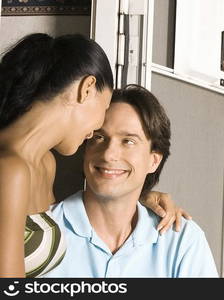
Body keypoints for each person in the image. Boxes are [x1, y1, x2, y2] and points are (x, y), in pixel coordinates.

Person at [0, 33, 188, 278]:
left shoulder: (44, 163)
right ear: (86, 89)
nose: (94, 133)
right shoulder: (10, 169)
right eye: (104, 106)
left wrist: (138, 199)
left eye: (128, 141)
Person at [43, 85, 218, 277]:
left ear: (154, 160)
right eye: (100, 137)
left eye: (128, 141)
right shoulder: (42, 233)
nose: (109, 154)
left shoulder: (182, 242)